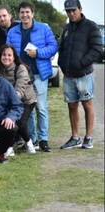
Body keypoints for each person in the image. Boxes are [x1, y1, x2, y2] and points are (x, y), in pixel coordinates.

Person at [7, 1, 58, 152]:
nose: (25, 15)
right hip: (22, 76)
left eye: (27, 12)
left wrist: (38, 53)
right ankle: (32, 139)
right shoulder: (13, 32)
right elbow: (8, 52)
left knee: (41, 108)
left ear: (32, 13)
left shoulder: (44, 28)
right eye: (22, 12)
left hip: (39, 73)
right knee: (27, 110)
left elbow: (54, 46)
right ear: (19, 15)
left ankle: (43, 139)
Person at [58, 0, 102, 149]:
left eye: (73, 10)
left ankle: (88, 137)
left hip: (84, 74)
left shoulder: (91, 26)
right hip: (69, 76)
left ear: (80, 9)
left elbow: (97, 48)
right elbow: (62, 48)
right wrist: (62, 64)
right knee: (71, 106)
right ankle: (75, 137)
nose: (71, 14)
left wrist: (82, 63)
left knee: (87, 104)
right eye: (68, 11)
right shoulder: (66, 28)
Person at [0, 44, 36, 156]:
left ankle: (29, 142)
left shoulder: (21, 68)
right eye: (4, 55)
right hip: (7, 101)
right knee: (8, 123)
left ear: (13, 57)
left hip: (26, 100)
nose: (6, 57)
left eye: (9, 55)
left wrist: (9, 102)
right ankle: (9, 146)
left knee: (20, 122)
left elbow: (20, 89)